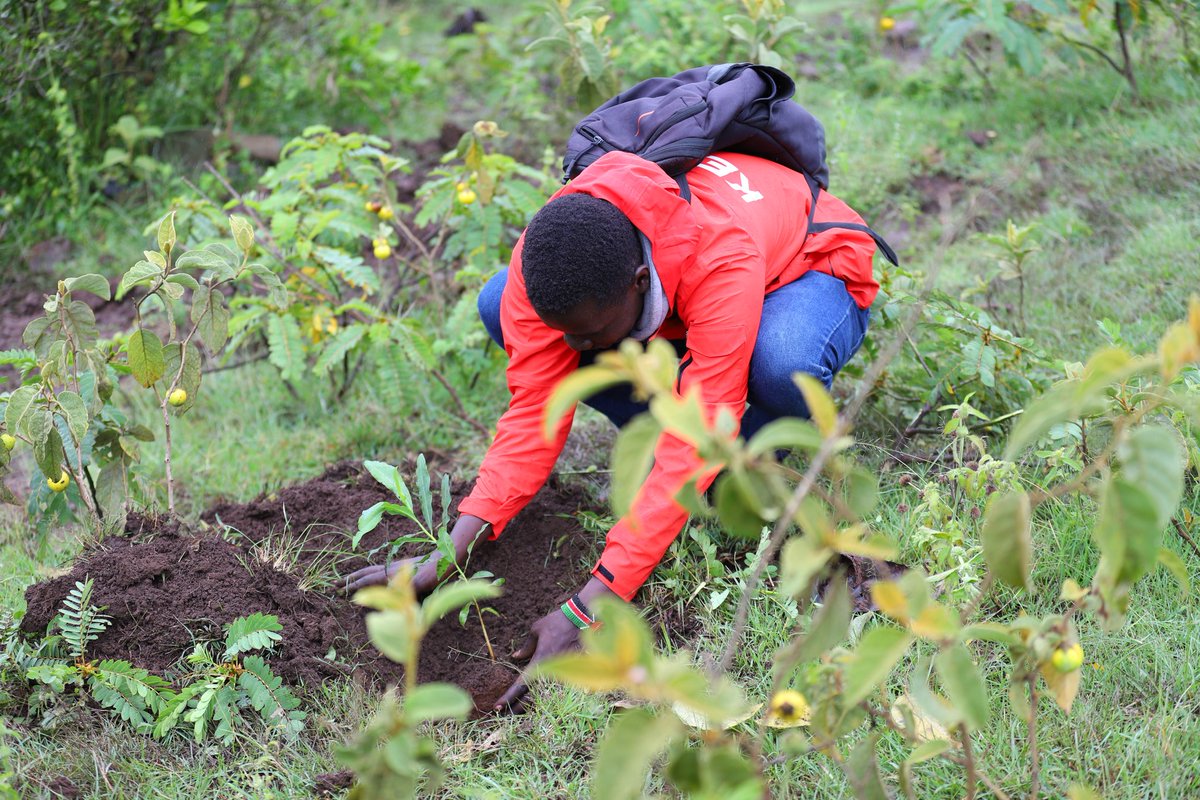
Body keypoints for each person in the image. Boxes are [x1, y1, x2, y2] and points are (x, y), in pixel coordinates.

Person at [344, 148, 880, 711]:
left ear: (638, 282)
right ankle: (668, 449)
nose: (575, 354)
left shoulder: (720, 258)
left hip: (805, 266)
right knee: (496, 301)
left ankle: (742, 460)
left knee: (778, 367)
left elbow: (698, 433)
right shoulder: (548, 254)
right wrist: (449, 551)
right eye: (568, 335)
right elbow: (534, 413)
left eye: (588, 333)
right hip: (674, 286)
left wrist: (587, 605)